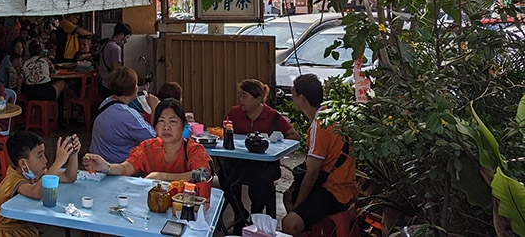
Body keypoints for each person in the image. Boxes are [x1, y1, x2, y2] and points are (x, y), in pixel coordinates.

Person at [282, 74, 357, 237]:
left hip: (334, 191)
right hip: (345, 186)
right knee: (288, 195)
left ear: (302, 98)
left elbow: (312, 174)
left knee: (289, 223)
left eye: (293, 94)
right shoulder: (331, 114)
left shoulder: (319, 125)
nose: (291, 97)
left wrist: (297, 208)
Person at [221, 79, 300, 221]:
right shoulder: (234, 113)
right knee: (223, 174)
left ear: (258, 99)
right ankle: (239, 211)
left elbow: (294, 136)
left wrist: (274, 142)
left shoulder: (273, 116)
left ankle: (256, 213)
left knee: (260, 180)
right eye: (241, 95)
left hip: (264, 165)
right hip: (239, 161)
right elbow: (223, 132)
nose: (241, 99)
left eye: (245, 96)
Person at [83, 99, 211, 181]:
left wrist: (162, 177)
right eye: (161, 121)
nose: (166, 127)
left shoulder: (193, 149)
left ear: (183, 126)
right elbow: (125, 168)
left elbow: (203, 174)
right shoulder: (148, 147)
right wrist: (107, 167)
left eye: (172, 121)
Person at [0, 131, 81, 237]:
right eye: (40, 156)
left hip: (26, 229)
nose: (45, 160)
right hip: (8, 233)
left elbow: (69, 177)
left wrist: (73, 154)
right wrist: (58, 161)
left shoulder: (34, 174)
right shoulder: (12, 180)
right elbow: (37, 193)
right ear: (23, 164)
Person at [88, 67, 156, 163]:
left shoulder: (106, 102)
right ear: (134, 89)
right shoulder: (127, 115)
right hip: (119, 167)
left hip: (98, 162)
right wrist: (154, 108)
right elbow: (154, 138)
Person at [98, 23, 131, 100]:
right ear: (122, 35)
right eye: (127, 37)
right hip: (109, 86)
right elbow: (116, 70)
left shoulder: (106, 44)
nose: (126, 41)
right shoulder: (116, 48)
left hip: (102, 83)